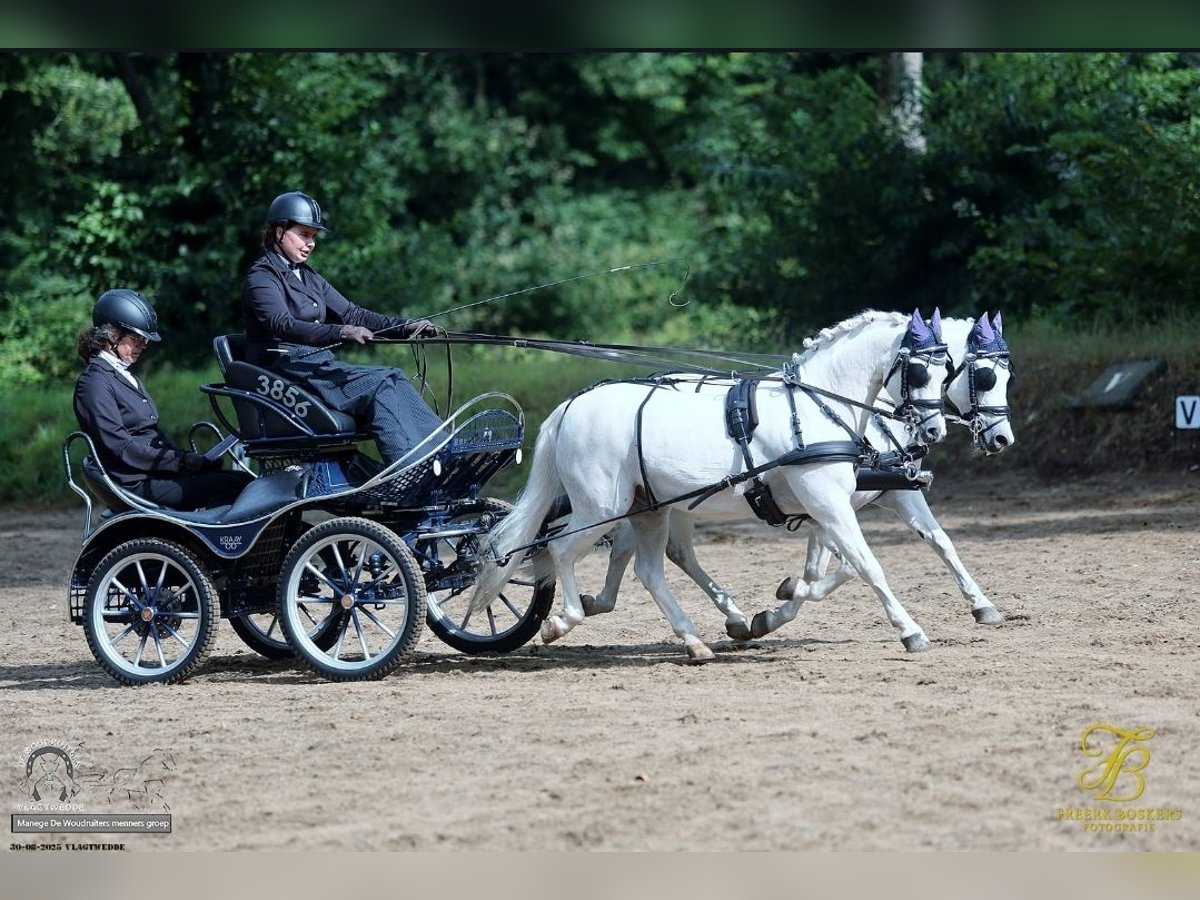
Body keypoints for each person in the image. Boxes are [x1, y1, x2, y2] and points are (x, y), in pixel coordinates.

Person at [242, 190, 444, 467]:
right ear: (279, 233)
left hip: (316, 366)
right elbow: (281, 323)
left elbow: (352, 312)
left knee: (394, 377)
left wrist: (406, 327)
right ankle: (408, 469)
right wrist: (341, 332)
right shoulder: (262, 276)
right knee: (381, 382)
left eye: (313, 236)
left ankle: (443, 453)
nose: (311, 243)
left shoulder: (308, 276)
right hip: (287, 372)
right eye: (304, 234)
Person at [74, 289, 253, 510]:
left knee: (235, 480)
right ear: (112, 336)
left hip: (154, 473)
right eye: (137, 338)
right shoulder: (94, 383)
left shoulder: (124, 375)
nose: (144, 345)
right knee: (242, 485)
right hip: (136, 481)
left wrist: (189, 460)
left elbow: (150, 436)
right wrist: (180, 463)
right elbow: (122, 447)